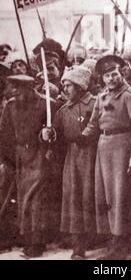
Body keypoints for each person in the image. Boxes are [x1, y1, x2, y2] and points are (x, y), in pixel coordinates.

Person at [81, 55, 131, 260]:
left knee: (127, 200)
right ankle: (116, 247)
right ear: (102, 79)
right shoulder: (102, 97)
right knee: (110, 200)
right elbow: (94, 124)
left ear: (121, 73)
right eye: (107, 76)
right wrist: (82, 136)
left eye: (114, 74)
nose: (111, 79)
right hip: (104, 152)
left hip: (123, 150)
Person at [0, 75, 58, 258]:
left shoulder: (47, 104)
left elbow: (55, 131)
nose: (15, 93)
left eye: (19, 89)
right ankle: (26, 238)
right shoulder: (10, 106)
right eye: (13, 89)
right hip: (19, 157)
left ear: (30, 88)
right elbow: (5, 133)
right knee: (23, 200)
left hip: (39, 155)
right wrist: (7, 159)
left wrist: (48, 139)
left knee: (36, 200)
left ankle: (37, 242)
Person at [53, 66, 97, 260]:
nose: (66, 89)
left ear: (80, 86)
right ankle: (78, 246)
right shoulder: (63, 110)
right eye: (64, 85)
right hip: (73, 159)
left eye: (69, 85)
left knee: (93, 198)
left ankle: (101, 238)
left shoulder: (95, 104)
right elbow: (55, 135)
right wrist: (48, 135)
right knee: (74, 200)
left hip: (94, 157)